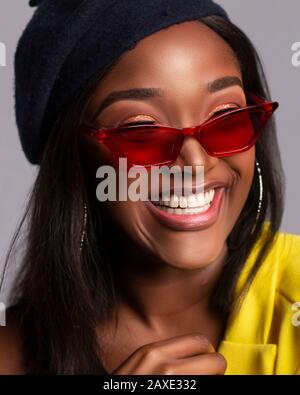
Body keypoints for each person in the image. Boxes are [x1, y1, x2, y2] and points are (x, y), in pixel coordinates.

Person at [0, 0, 299, 375]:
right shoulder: (10, 354)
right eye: (141, 131)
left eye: (226, 118)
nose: (196, 162)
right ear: (73, 160)